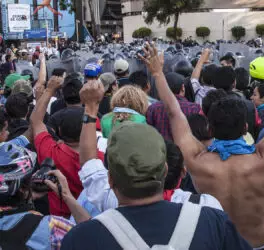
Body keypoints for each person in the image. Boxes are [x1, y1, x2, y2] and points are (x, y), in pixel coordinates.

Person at [138, 33, 264, 249]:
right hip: (256, 244)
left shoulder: (197, 160)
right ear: (246, 127)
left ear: (209, 127)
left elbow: (174, 112)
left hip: (216, 244)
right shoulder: (262, 159)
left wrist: (157, 74)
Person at [61, 80, 253, 250]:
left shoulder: (82, 238)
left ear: (110, 180)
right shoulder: (211, 217)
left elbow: (90, 166)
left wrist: (91, 108)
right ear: (166, 169)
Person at [30, 76, 103, 217]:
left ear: (60, 132)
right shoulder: (99, 160)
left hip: (58, 220)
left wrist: (50, 90)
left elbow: (36, 120)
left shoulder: (50, 151)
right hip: (92, 220)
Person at [0, 143, 80, 249]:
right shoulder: (53, 227)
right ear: (23, 188)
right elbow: (92, 239)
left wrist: (28, 196)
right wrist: (67, 196)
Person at [146, 72, 201, 140]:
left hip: (162, 149)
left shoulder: (152, 108)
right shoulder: (195, 108)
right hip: (188, 149)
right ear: (183, 88)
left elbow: (149, 132)